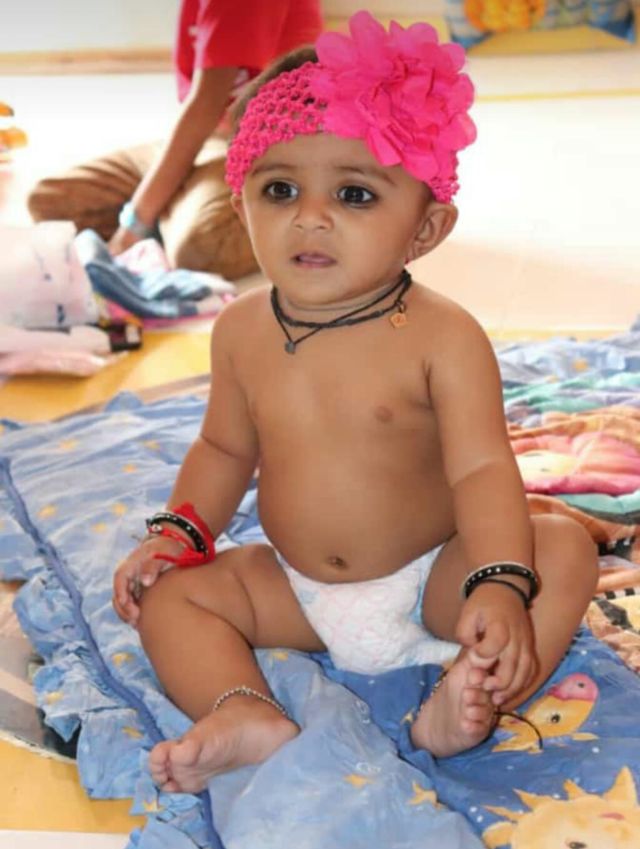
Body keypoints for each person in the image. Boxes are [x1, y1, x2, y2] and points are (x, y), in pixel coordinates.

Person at [113, 11, 598, 794]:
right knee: (169, 600)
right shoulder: (240, 330)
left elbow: (482, 469)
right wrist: (179, 532)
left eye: (354, 193)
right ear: (241, 206)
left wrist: (499, 581)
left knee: (563, 550)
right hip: (297, 591)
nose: (310, 216)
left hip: (433, 578)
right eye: (280, 189)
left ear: (425, 228)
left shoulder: (444, 337)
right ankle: (241, 708)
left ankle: (470, 697)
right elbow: (225, 449)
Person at [26, 0, 322, 280]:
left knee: (197, 251)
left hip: (260, 145)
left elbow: (205, 107)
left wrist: (134, 225)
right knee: (50, 202)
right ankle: (175, 208)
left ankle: (179, 213)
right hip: (206, 141)